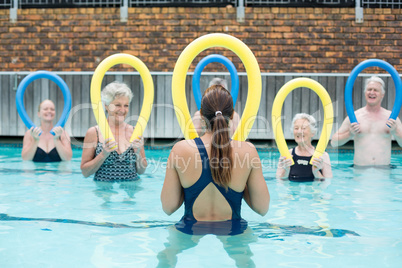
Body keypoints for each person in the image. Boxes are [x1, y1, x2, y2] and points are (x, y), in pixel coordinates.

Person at [158, 85, 269, 267]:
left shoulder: (180, 149)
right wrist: (240, 183)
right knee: (245, 260)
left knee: (167, 255)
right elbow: (262, 208)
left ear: (201, 116)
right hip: (234, 231)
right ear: (232, 116)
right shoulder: (248, 151)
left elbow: (168, 207)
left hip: (189, 228)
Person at [80, 81, 147, 181]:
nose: (122, 110)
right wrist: (103, 155)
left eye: (126, 105)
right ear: (106, 105)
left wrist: (138, 154)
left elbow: (141, 171)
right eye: (117, 105)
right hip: (104, 192)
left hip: (130, 192)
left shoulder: (134, 131)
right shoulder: (94, 133)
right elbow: (85, 173)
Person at [331, 76, 402, 166]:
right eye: (369, 89)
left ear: (382, 95)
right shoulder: (355, 117)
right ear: (365, 93)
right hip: (360, 172)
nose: (372, 92)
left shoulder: (391, 118)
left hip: (383, 172)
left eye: (375, 90)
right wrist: (350, 134)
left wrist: (396, 132)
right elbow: (333, 142)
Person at [276, 113, 332, 181]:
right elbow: (279, 183)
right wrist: (286, 171)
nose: (299, 131)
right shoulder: (286, 154)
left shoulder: (323, 156)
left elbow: (328, 184)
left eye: (303, 128)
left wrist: (316, 172)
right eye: (296, 128)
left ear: (313, 133)